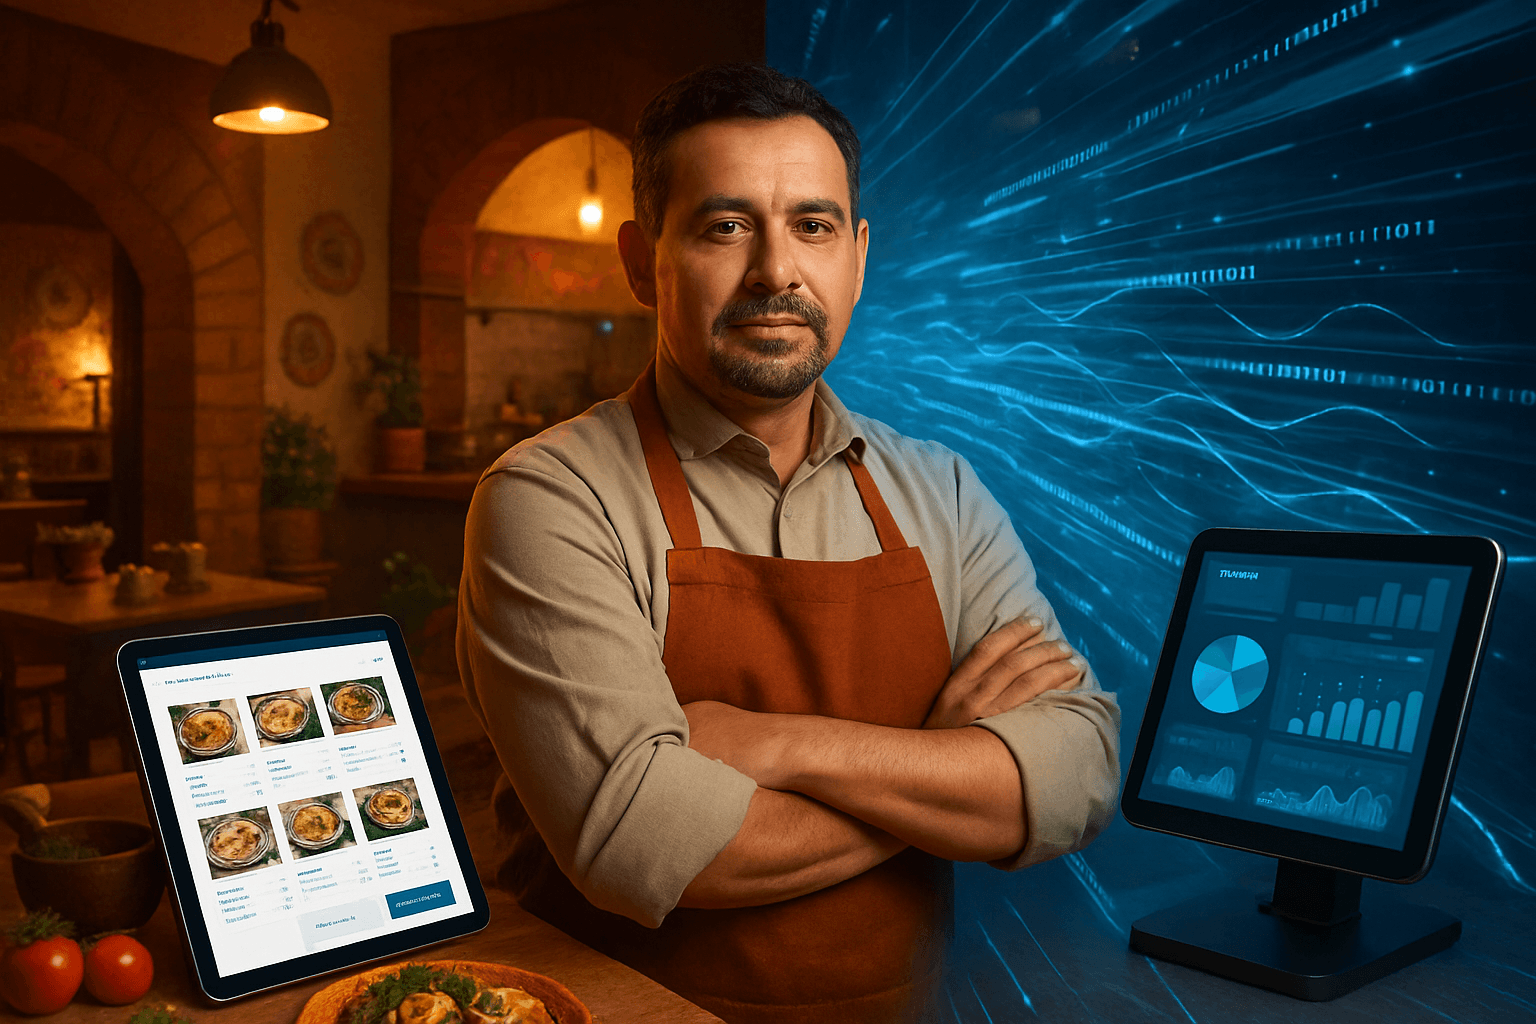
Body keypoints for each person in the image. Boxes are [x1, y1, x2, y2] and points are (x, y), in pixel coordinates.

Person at [457, 62, 1121, 1024]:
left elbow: (1076, 773)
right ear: (642, 259)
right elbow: (643, 842)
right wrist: (941, 770)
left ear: (857, 256)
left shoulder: (941, 490)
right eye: (726, 227)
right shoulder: (552, 498)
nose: (776, 270)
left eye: (812, 226)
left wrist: (781, 746)